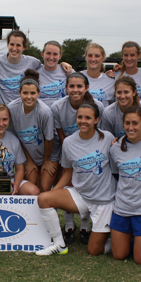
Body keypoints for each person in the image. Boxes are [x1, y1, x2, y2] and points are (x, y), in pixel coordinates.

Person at [35, 103, 116, 256]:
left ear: (96, 120)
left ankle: (121, 242)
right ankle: (59, 244)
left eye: (88, 118)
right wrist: (56, 191)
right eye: (80, 117)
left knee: (94, 250)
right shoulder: (69, 142)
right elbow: (69, 171)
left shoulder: (107, 138)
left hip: (104, 201)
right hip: (81, 196)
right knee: (44, 198)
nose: (83, 121)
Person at [51, 72, 105, 244]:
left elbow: (99, 133)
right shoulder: (57, 106)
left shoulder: (98, 106)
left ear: (87, 87)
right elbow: (60, 134)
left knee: (86, 185)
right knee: (68, 185)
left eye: (79, 86)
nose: (75, 89)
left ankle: (84, 227)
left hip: (90, 150)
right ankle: (68, 226)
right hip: (68, 149)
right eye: (71, 86)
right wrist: (72, 152)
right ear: (66, 88)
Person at [109, 106, 141, 265]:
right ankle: (136, 241)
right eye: (127, 123)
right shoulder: (116, 147)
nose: (131, 128)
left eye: (135, 123)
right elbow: (116, 174)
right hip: (122, 208)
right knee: (119, 255)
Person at [7, 70, 56, 192]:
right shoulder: (12, 109)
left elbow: (49, 139)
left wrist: (46, 161)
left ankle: (46, 210)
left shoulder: (44, 112)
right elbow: (15, 138)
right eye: (25, 93)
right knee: (31, 186)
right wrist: (28, 160)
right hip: (27, 154)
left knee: (44, 187)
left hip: (48, 153)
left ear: (38, 93)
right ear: (20, 93)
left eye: (33, 93)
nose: (29, 97)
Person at [37, 41, 69, 108]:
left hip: (62, 115)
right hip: (42, 115)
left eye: (55, 54)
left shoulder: (67, 71)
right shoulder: (35, 74)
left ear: (60, 56)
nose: (51, 58)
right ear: (42, 54)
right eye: (48, 53)